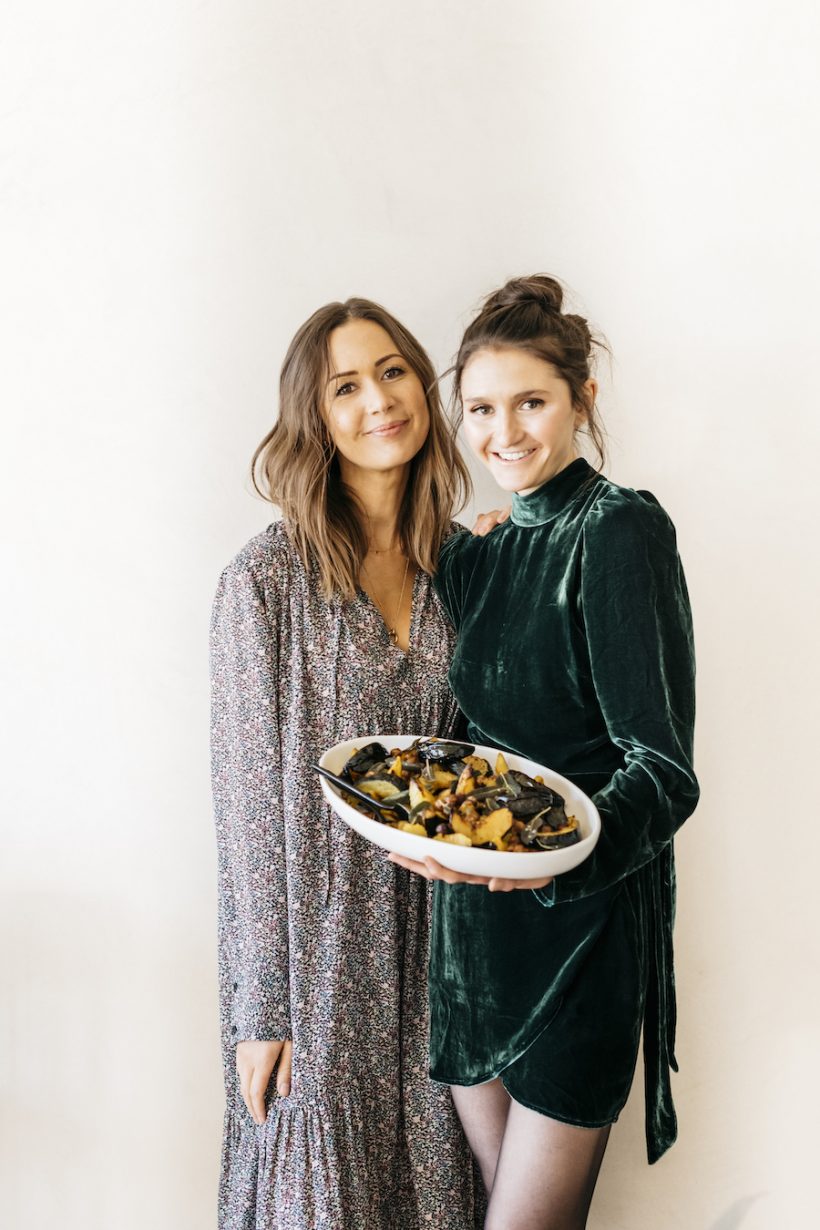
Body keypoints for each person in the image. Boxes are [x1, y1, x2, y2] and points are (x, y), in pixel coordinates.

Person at [389, 275, 699, 1230]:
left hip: (580, 931)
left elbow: (662, 768)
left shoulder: (616, 530)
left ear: (581, 401)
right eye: (481, 408)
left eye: (532, 402)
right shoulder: (476, 553)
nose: (505, 433)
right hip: (472, 944)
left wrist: (551, 864)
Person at [209, 297, 486, 1229]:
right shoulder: (266, 582)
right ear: (315, 417)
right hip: (322, 962)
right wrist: (261, 1009)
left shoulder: (465, 567)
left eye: (394, 371)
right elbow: (247, 812)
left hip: (447, 950)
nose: (379, 400)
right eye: (346, 386)